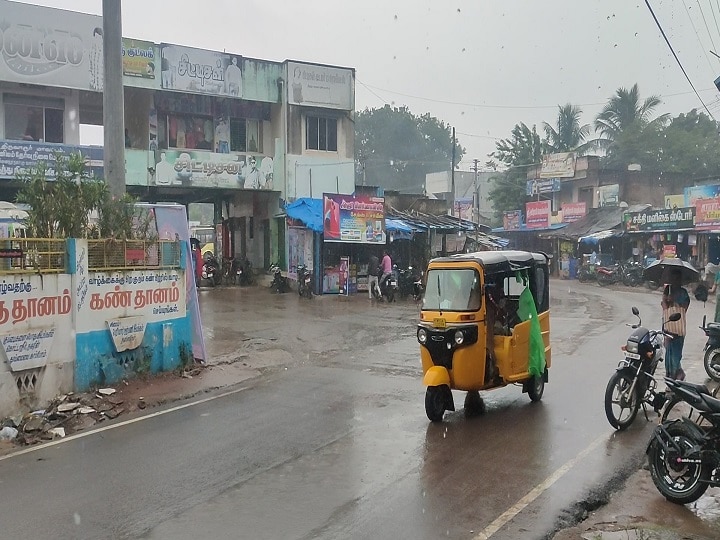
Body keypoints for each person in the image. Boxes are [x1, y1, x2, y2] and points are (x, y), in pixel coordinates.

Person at [662, 268, 690, 381]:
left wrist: (675, 302)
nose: (675, 280)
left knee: (676, 354)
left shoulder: (683, 293)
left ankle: (676, 374)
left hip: (678, 326)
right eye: (673, 278)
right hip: (668, 324)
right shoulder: (667, 289)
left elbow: (684, 308)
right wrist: (667, 303)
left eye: (677, 278)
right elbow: (663, 304)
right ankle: (671, 374)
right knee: (668, 351)